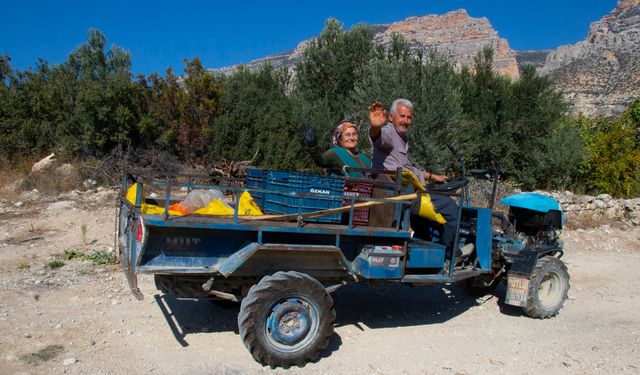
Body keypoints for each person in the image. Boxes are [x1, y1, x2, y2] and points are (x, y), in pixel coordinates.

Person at [368, 99, 460, 257]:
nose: (405, 121)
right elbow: (378, 137)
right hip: (400, 194)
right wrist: (376, 126)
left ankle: (422, 250)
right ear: (391, 117)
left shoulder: (401, 138)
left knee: (428, 213)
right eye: (402, 116)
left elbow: (406, 168)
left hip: (405, 191)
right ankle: (449, 254)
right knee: (451, 209)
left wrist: (432, 176)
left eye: (409, 117)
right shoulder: (389, 132)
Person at [300, 119, 371, 178]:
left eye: (354, 134)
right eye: (347, 135)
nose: (352, 138)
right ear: (340, 139)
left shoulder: (362, 157)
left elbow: (373, 175)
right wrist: (313, 146)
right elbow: (321, 161)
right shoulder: (336, 153)